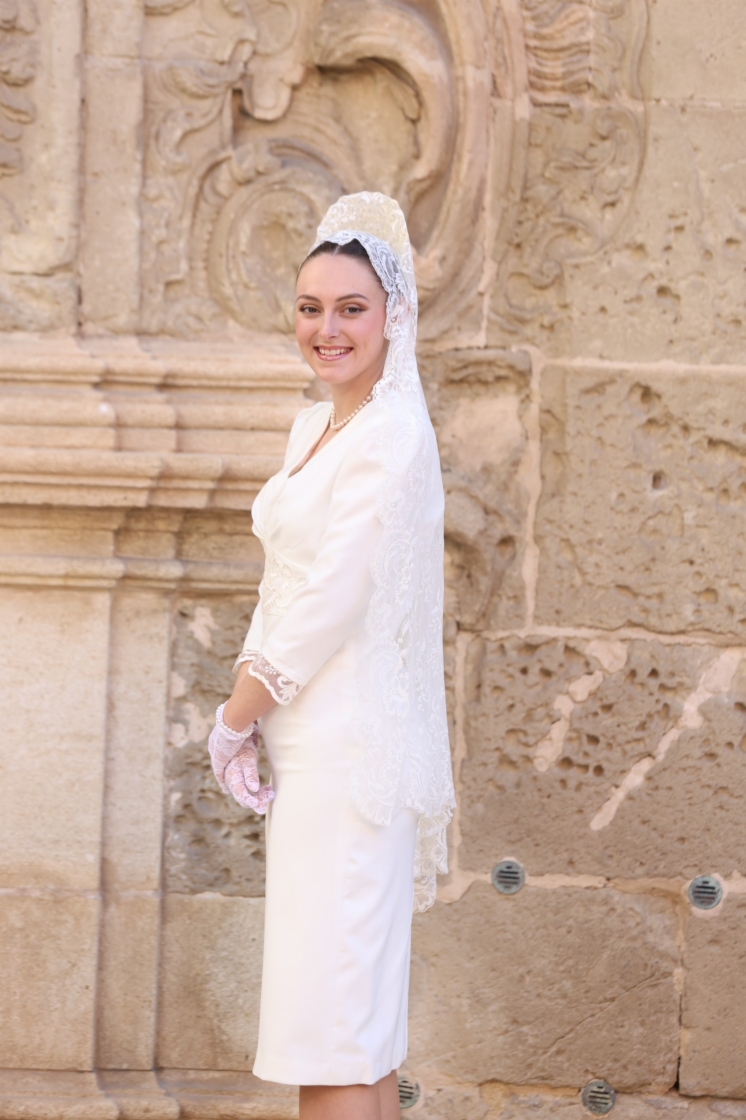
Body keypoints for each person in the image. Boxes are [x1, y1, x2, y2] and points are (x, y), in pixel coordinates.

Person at [207, 192, 455, 1120]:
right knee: (352, 1031)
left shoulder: (393, 438)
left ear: (394, 315)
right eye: (311, 308)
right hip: (307, 751)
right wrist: (254, 717)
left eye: (352, 308)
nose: (328, 329)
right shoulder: (313, 429)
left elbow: (333, 597)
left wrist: (235, 716)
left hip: (351, 757)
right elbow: (285, 582)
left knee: (336, 1035)